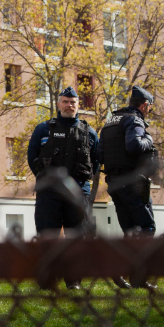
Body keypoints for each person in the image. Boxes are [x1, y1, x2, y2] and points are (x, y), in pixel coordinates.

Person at [27, 86, 101, 289]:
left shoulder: (89, 132)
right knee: (47, 236)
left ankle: (73, 281)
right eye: (66, 102)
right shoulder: (43, 129)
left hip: (78, 193)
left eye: (73, 102)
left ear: (78, 105)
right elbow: (32, 157)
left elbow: (95, 162)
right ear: (59, 104)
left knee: (77, 237)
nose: (69, 105)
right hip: (49, 193)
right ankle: (48, 279)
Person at [99, 85, 159, 291]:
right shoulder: (134, 120)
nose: (149, 111)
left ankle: (125, 272)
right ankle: (134, 274)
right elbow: (134, 145)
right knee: (147, 228)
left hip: (114, 183)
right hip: (133, 182)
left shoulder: (110, 121)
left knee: (130, 230)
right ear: (144, 105)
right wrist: (149, 139)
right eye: (149, 108)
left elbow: (99, 155)